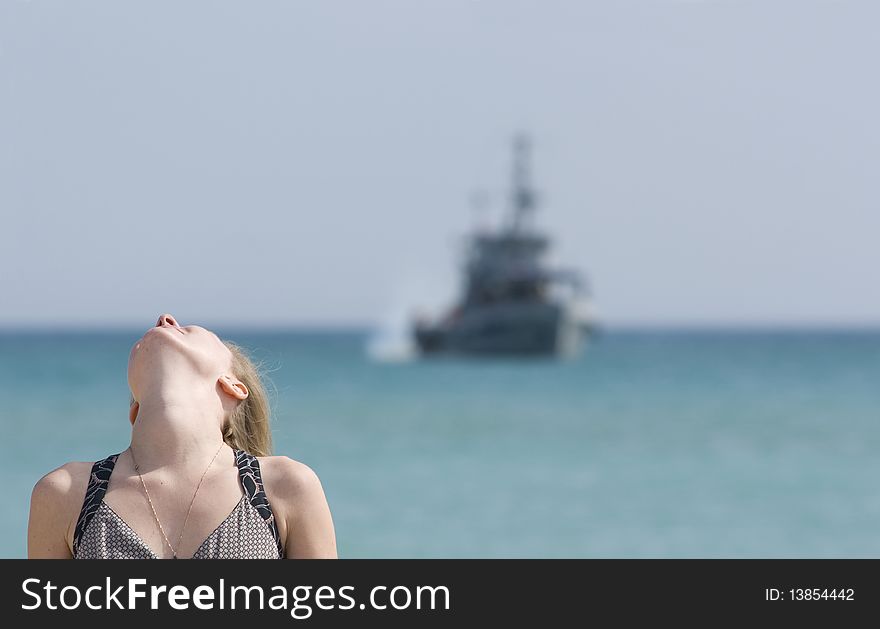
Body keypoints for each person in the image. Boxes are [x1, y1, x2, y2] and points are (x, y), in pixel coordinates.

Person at [27, 314, 337, 559]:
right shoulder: (66, 494)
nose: (165, 318)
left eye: (189, 329)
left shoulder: (284, 487)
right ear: (135, 408)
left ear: (232, 385)